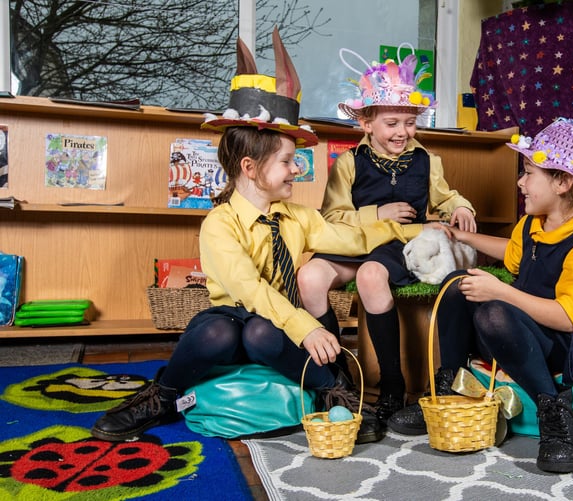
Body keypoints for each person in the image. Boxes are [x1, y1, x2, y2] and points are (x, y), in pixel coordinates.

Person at [91, 29, 447, 445]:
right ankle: (163, 396)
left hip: (270, 335)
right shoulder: (220, 224)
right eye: (287, 162)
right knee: (216, 329)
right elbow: (250, 289)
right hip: (239, 318)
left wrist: (411, 227)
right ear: (250, 167)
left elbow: (348, 238)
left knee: (260, 330)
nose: (297, 170)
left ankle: (335, 388)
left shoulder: (295, 216)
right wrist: (308, 329)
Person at [388, 115, 573, 474]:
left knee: (493, 312)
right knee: (457, 283)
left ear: (562, 182)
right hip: (519, 333)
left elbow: (566, 317)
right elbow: (513, 253)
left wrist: (501, 292)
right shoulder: (534, 223)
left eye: (529, 173)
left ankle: (555, 414)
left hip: (562, 347)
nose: (521, 182)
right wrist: (463, 237)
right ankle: (447, 391)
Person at [297, 49, 477, 425]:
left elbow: (446, 197)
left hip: (398, 245)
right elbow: (332, 216)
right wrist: (375, 214)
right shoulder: (348, 163)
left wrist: (461, 207)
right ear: (366, 124)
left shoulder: (427, 160)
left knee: (370, 275)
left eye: (409, 123)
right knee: (309, 277)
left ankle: (391, 383)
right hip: (352, 242)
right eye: (392, 123)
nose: (402, 132)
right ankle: (335, 376)